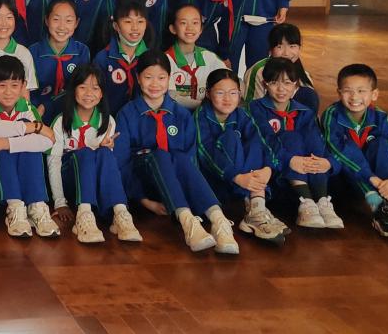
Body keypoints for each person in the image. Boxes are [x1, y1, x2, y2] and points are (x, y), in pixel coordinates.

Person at [114, 51, 239, 254]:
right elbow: (121, 163)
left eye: (161, 78)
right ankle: (188, 223)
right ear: (138, 78)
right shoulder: (127, 114)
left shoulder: (181, 114)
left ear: (169, 79)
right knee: (161, 154)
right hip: (145, 187)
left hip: (177, 188)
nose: (155, 84)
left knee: (179, 156)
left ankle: (219, 221)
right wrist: (145, 202)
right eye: (148, 77)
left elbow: (190, 162)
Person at [321, 64, 388, 237]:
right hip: (343, 182)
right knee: (347, 149)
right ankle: (380, 209)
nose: (354, 97)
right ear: (339, 92)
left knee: (383, 144)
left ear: (374, 94)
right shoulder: (332, 115)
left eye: (361, 91)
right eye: (348, 91)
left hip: (378, 182)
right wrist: (373, 179)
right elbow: (337, 150)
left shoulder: (380, 117)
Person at [47, 65, 142, 243]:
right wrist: (60, 202)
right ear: (73, 90)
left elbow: (108, 169)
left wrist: (104, 148)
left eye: (95, 88)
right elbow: (54, 163)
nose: (88, 93)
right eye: (83, 87)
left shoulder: (108, 121)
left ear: (102, 94)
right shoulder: (61, 122)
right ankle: (83, 215)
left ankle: (121, 213)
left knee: (105, 153)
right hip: (72, 183)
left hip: (96, 187)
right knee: (85, 152)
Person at [193, 69, 288, 244]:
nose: (227, 99)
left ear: (239, 94)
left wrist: (268, 168)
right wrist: (236, 176)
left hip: (246, 181)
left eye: (233, 93)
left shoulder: (242, 114)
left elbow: (260, 142)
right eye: (220, 93)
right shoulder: (201, 116)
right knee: (230, 137)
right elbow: (205, 152)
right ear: (208, 93)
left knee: (253, 143)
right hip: (218, 182)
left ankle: (256, 209)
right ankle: (255, 207)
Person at [248, 58, 343, 230]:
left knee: (313, 141)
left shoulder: (304, 112)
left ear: (296, 85)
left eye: (287, 83)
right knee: (291, 138)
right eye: (274, 82)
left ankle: (322, 201)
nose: (281, 89)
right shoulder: (256, 108)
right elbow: (265, 140)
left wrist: (327, 163)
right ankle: (305, 201)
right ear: (265, 84)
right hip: (275, 175)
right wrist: (290, 160)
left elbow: (318, 143)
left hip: (309, 176)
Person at [0, 55, 59, 239]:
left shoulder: (27, 108)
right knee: (8, 143)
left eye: (14, 85)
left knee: (28, 147)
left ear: (23, 86)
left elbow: (47, 142)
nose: (8, 92)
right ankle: (15, 208)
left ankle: (37, 207)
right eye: (2, 85)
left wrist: (5, 143)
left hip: (23, 176)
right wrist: (32, 127)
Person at [29, 0, 91, 116]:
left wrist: (48, 105)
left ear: (76, 23)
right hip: (37, 113)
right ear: (47, 20)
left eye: (68, 21)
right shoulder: (32, 52)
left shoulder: (82, 51)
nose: (62, 27)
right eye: (56, 19)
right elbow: (28, 91)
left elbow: (81, 88)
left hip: (71, 112)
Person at [92, 0, 153, 113]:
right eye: (128, 21)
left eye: (140, 21)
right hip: (109, 118)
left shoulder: (152, 58)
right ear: (116, 26)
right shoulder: (102, 58)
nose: (135, 27)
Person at [242, 23, 319, 111]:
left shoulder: (304, 74)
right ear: (271, 49)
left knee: (309, 94)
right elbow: (253, 108)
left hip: (295, 117)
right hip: (265, 116)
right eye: (279, 47)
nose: (286, 53)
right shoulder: (259, 71)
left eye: (292, 46)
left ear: (299, 48)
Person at [165, 4, 227, 111]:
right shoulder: (165, 60)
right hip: (176, 116)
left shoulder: (210, 58)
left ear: (201, 29)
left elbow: (229, 81)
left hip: (207, 116)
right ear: (173, 28)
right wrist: (206, 106)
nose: (190, 28)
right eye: (183, 23)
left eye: (195, 23)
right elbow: (171, 97)